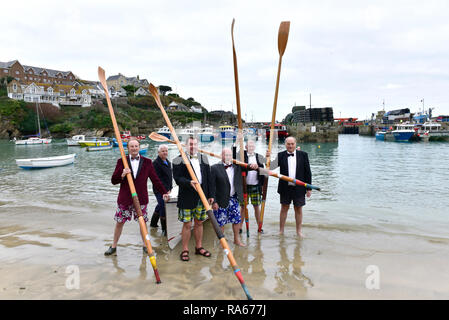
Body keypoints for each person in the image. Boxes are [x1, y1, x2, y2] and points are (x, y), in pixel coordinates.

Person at [105, 138, 170, 256]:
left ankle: (145, 245)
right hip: (125, 199)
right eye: (132, 146)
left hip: (141, 199)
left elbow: (155, 179)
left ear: (139, 148)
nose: (134, 148)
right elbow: (114, 181)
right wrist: (123, 174)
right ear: (128, 148)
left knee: (142, 223)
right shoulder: (122, 161)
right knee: (119, 222)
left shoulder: (147, 162)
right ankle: (114, 246)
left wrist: (164, 192)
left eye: (136, 146)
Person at [172, 136, 214, 262]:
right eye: (190, 144)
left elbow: (209, 178)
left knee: (199, 222)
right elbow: (178, 179)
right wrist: (189, 182)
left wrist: (211, 195)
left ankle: (198, 247)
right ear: (185, 145)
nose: (193, 146)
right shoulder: (177, 160)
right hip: (187, 196)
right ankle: (185, 249)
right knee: (187, 224)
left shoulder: (204, 158)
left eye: (195, 144)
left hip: (202, 196)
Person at [267, 136, 312, 237]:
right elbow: (271, 167)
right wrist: (268, 157)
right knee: (284, 208)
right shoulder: (281, 155)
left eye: (292, 144)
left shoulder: (303, 155)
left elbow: (308, 172)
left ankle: (299, 231)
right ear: (285, 144)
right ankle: (281, 231)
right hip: (285, 187)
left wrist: (309, 188)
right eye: (288, 144)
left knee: (298, 209)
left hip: (299, 187)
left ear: (295, 144)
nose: (290, 146)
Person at [210, 148, 245, 247]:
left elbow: (248, 167)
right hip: (220, 199)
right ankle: (222, 242)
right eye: (226, 155)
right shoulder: (215, 168)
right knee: (220, 222)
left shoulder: (237, 167)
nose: (228, 157)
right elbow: (212, 187)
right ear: (222, 156)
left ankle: (236, 240)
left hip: (234, 198)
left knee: (237, 220)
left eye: (230, 155)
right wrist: (214, 202)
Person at [235, 140, 266, 233]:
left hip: (256, 186)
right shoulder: (241, 155)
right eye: (249, 146)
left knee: (257, 206)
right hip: (244, 186)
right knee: (243, 207)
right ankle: (240, 227)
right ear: (246, 147)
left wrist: (258, 168)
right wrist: (236, 142)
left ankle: (259, 227)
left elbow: (263, 172)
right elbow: (234, 159)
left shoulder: (259, 157)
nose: (251, 148)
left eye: (253, 146)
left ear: (254, 147)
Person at [150, 144, 173, 236]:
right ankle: (164, 230)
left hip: (167, 189)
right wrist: (164, 190)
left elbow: (169, 177)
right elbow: (157, 179)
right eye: (163, 151)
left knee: (160, 205)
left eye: (166, 151)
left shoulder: (168, 162)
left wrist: (170, 188)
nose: (165, 152)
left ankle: (153, 224)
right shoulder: (155, 163)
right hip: (159, 189)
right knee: (163, 206)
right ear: (158, 152)